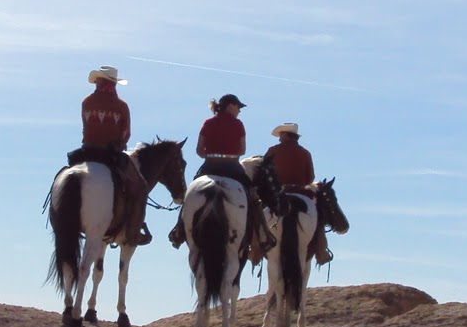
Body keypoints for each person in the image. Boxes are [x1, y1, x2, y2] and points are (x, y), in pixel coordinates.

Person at [169, 93, 269, 256]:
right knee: (253, 197)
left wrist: (212, 154)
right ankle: (262, 234)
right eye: (238, 107)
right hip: (232, 167)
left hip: (209, 165)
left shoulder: (208, 123)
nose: (239, 111)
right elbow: (242, 150)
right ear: (230, 106)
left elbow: (199, 150)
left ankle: (178, 231)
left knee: (190, 196)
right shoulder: (238, 124)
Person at [79, 65, 151, 245]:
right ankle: (133, 232)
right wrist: (119, 145)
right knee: (140, 186)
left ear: (98, 81)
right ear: (113, 84)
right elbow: (126, 133)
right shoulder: (121, 106)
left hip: (87, 151)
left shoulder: (86, 102)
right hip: (110, 154)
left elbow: (85, 127)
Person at [265, 122, 332, 265]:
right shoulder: (305, 153)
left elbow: (264, 173)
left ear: (285, 135)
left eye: (281, 135)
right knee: (319, 216)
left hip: (278, 192)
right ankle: (322, 250)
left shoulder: (272, 151)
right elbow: (310, 178)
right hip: (301, 192)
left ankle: (255, 247)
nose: (279, 138)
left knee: (257, 213)